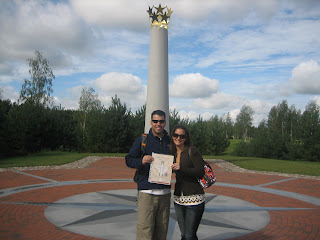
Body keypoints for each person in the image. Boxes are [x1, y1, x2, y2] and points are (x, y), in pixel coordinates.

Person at [125, 110, 171, 240]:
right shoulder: (142, 140)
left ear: (165, 123)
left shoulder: (170, 141)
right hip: (147, 191)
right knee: (145, 229)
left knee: (162, 230)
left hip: (165, 192)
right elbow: (129, 160)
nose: (158, 124)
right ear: (151, 122)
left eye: (161, 121)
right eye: (155, 121)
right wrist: (141, 161)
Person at [170, 125, 205, 240]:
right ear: (172, 136)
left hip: (194, 198)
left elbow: (200, 172)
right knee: (184, 235)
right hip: (178, 199)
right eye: (176, 135)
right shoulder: (172, 153)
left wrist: (181, 168)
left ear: (186, 138)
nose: (178, 138)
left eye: (182, 136)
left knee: (189, 235)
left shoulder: (192, 151)